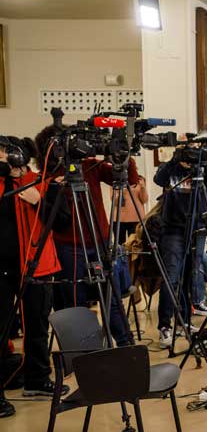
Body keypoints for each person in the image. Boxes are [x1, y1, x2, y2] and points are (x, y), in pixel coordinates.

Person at [34, 126, 135, 348]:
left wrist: (120, 152)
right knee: (75, 303)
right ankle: (84, 352)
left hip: (100, 243)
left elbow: (129, 177)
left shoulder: (91, 167)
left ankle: (127, 346)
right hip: (68, 247)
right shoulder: (47, 178)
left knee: (113, 300)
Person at [0, 137, 68, 417]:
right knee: (1, 329)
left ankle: (37, 379)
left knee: (38, 324)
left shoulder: (39, 182)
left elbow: (63, 222)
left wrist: (40, 199)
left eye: (2, 153)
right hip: (2, 270)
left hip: (36, 265)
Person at [153, 146, 207, 348]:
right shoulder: (170, 169)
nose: (188, 159)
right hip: (173, 230)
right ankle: (165, 326)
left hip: (197, 229)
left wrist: (202, 161)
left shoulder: (200, 168)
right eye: (186, 155)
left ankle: (184, 322)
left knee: (190, 277)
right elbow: (159, 180)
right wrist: (176, 160)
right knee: (171, 278)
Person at [114, 174, 148, 244]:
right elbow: (115, 202)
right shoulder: (115, 181)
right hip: (119, 219)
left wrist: (143, 187)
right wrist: (123, 190)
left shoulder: (139, 179)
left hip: (136, 219)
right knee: (119, 246)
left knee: (135, 244)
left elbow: (144, 200)